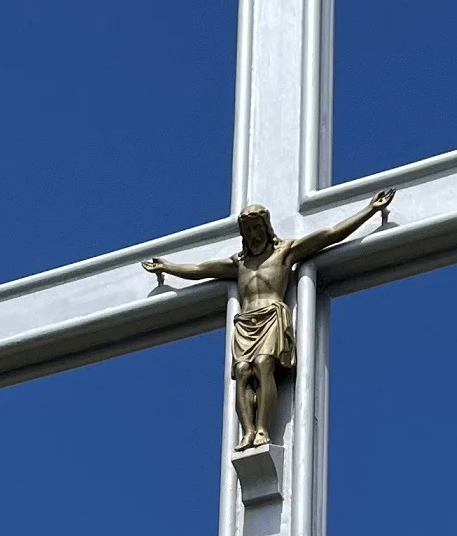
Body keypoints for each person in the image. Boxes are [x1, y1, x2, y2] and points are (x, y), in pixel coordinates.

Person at [144, 189, 395, 452]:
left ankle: (263, 428)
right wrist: (168, 267)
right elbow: (199, 270)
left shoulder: (284, 253)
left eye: (256, 228)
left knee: (264, 365)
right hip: (245, 323)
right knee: (242, 372)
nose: (253, 235)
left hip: (271, 316)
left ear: (266, 228)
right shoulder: (238, 264)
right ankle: (248, 431)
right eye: (247, 231)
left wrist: (370, 210)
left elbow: (330, 235)